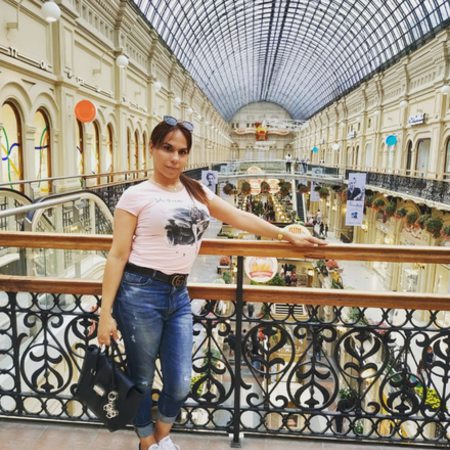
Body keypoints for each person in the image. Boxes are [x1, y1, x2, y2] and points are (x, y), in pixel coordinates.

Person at [97, 115, 327, 450]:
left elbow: (239, 216)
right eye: (167, 149)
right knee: (142, 377)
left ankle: (160, 436)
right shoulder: (135, 195)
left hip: (179, 295)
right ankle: (148, 441)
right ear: (152, 148)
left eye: (182, 152)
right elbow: (117, 255)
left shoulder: (196, 190)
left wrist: (284, 234)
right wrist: (105, 313)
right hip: (140, 293)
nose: (175, 158)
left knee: (180, 382)